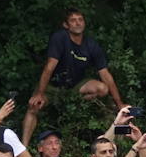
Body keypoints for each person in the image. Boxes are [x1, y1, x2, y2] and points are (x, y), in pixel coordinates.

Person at [23, 8, 126, 144]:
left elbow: (105, 74)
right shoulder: (60, 38)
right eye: (73, 20)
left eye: (80, 20)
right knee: (34, 106)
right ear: (66, 25)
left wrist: (119, 103)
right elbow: (49, 67)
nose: (77, 23)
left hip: (75, 86)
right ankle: (22, 148)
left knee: (102, 88)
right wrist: (40, 93)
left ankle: (74, 103)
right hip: (52, 85)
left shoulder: (91, 45)